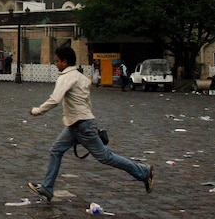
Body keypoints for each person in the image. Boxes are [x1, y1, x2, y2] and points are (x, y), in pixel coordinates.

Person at [27, 45, 153, 202]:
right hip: (78, 124)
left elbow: (55, 99)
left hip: (81, 125)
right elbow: (86, 102)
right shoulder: (80, 77)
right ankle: (47, 188)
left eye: (57, 61)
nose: (56, 64)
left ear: (64, 62)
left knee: (105, 157)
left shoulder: (65, 77)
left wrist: (37, 111)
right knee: (56, 150)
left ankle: (143, 172)